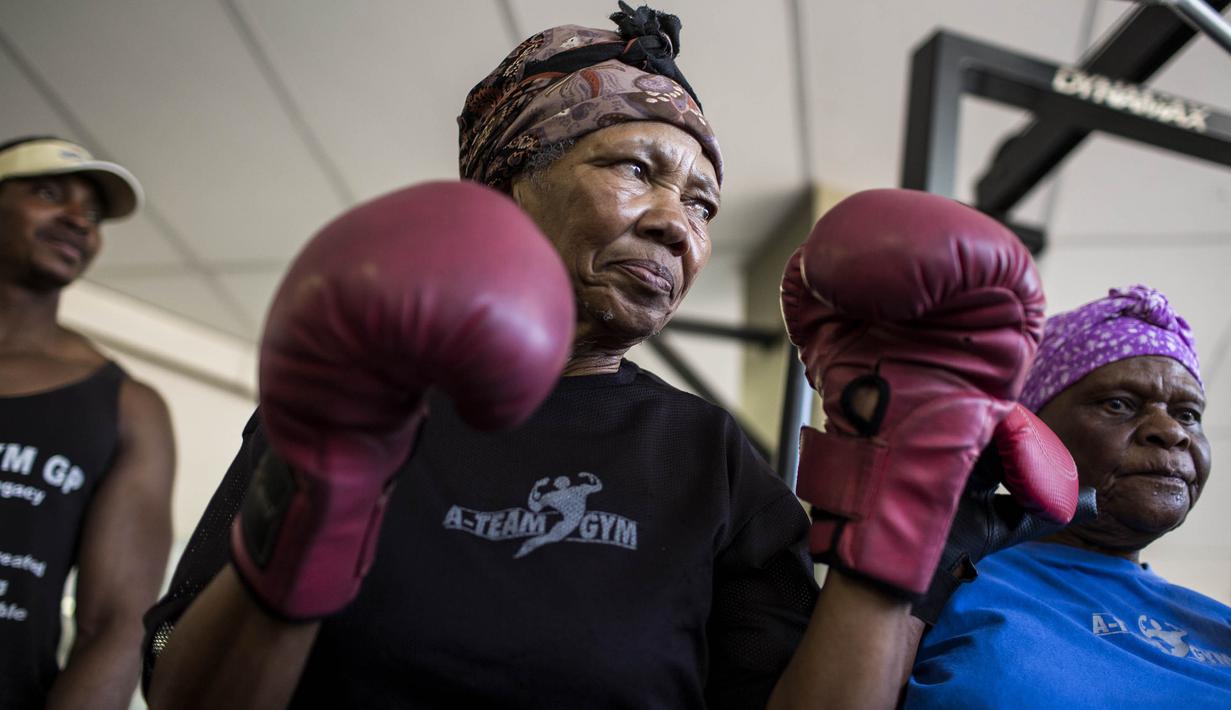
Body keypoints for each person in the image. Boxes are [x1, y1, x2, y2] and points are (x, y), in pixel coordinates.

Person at [140, 5, 1076, 709]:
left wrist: (895, 537)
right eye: (635, 169)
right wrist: (323, 495)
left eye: (703, 203)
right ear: (508, 185)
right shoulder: (346, 395)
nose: (678, 224)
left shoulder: (709, 460)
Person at [905, 285, 1231, 708]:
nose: (1171, 431)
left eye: (1188, 414)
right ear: (1032, 433)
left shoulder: (1217, 623)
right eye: (1118, 404)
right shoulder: (939, 582)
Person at [0, 136, 176, 709]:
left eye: (93, 214)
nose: (79, 221)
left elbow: (117, 625)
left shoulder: (128, 406)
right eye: (49, 193)